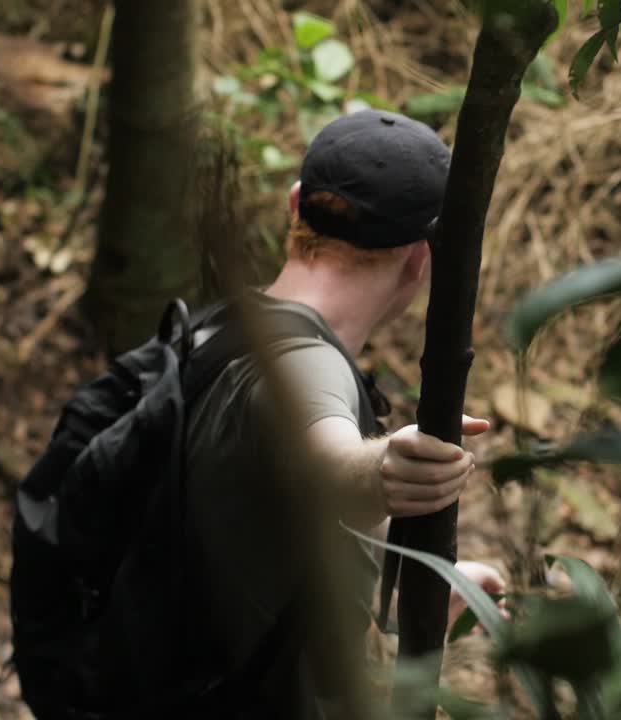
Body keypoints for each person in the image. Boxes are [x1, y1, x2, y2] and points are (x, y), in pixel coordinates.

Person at [181, 109, 501, 718]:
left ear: (295, 205)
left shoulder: (216, 330)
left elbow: (269, 510)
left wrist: (409, 585)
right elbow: (324, 460)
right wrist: (382, 469)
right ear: (421, 259)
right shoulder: (306, 366)